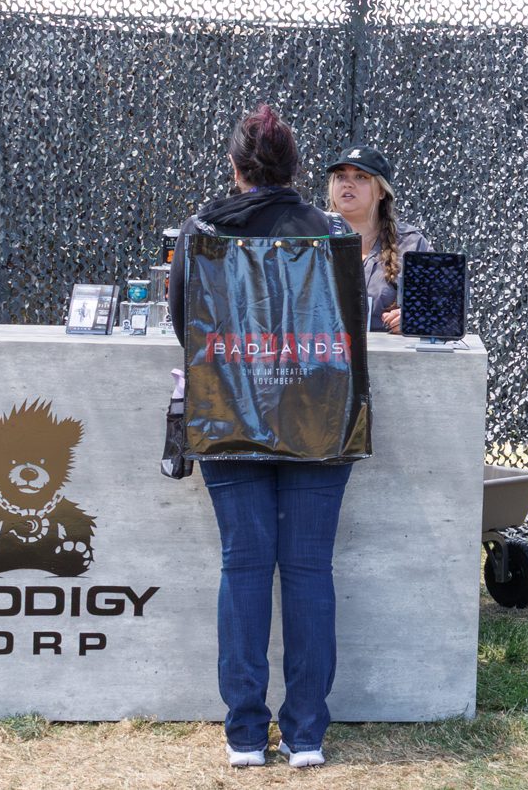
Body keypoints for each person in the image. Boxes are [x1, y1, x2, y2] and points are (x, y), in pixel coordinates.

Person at [170, 105, 349, 770]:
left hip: (232, 413)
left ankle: (245, 735)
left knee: (244, 568)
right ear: (296, 169)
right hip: (316, 417)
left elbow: (182, 316)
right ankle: (306, 734)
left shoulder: (202, 228)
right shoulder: (329, 230)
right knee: (308, 570)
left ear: (236, 167)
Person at [321, 145, 430, 333]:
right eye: (340, 176)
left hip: (391, 360)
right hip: (323, 357)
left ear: (381, 191)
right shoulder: (311, 238)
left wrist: (414, 319)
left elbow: (439, 308)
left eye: (360, 176)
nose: (347, 184)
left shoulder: (411, 244)